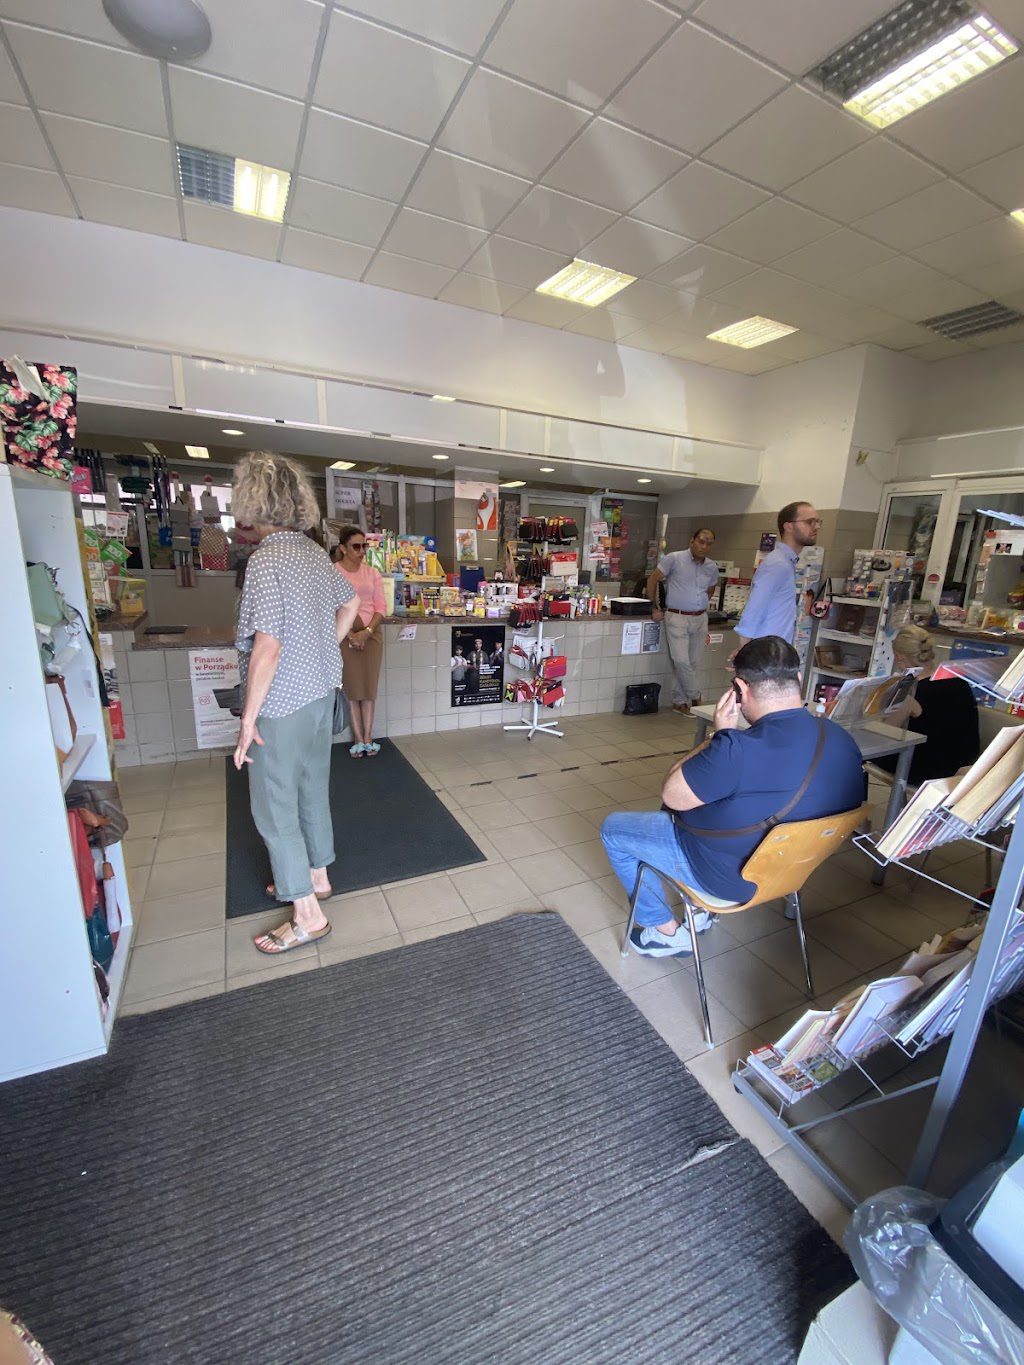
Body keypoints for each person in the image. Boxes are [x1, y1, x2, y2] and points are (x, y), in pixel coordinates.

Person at [601, 635, 864, 956]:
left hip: (730, 878)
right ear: (798, 679)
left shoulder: (737, 748)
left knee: (614, 830)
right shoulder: (841, 738)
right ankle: (699, 914)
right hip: (791, 871)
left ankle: (664, 931)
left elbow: (672, 795)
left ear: (740, 688)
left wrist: (719, 736)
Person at [232, 451, 361, 956]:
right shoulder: (311, 552)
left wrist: (247, 720)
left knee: (274, 804)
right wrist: (325, 645)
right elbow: (351, 601)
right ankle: (317, 876)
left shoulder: (266, 561)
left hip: (282, 702)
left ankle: (308, 916)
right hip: (320, 694)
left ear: (252, 501)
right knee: (311, 787)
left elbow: (267, 647)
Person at [874, 624, 980, 786]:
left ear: (899, 658)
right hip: (964, 765)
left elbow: (884, 734)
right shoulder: (959, 682)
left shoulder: (912, 692)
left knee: (863, 753)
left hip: (928, 769)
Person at [647, 527, 719, 714]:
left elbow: (710, 590)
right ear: (691, 541)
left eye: (709, 543)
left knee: (693, 663)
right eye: (701, 541)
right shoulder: (674, 558)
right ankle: (696, 698)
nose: (704, 546)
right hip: (677, 617)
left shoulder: (711, 566)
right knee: (681, 661)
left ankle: (679, 702)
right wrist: (654, 607)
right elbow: (653, 579)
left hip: (700, 618)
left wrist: (698, 604)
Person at [735, 502, 821, 646]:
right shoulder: (777, 564)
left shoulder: (787, 562)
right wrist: (744, 650)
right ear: (788, 526)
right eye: (810, 522)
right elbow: (754, 609)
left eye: (818, 522)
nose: (816, 526)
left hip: (776, 650)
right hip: (765, 652)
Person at [334, 524, 387, 758]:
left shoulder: (372, 573)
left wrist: (366, 632)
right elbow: (330, 608)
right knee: (353, 687)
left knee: (369, 688)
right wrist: (350, 635)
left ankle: (368, 737)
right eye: (356, 546)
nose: (362, 551)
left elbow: (381, 607)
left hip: (371, 633)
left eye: (364, 546)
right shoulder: (332, 572)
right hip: (344, 634)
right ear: (343, 548)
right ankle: (357, 738)